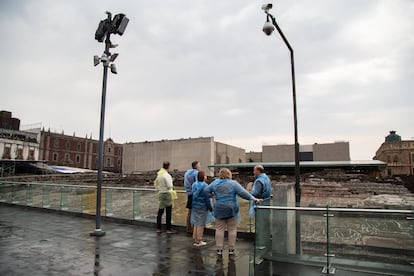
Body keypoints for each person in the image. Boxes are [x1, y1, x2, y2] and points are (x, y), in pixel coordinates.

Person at [204, 168, 261, 256]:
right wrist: (254, 199)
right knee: (232, 229)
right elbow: (243, 193)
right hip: (231, 208)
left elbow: (206, 191)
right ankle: (231, 249)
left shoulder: (215, 183)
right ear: (229, 174)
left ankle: (219, 249)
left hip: (219, 208)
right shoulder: (233, 183)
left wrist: (213, 196)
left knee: (219, 228)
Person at [251, 164, 272, 256]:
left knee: (260, 224)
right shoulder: (267, 178)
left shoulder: (259, 181)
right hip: (267, 203)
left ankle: (260, 244)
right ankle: (266, 241)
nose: (253, 172)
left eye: (254, 170)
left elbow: (256, 193)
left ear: (258, 171)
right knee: (265, 224)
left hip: (260, 204)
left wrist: (249, 194)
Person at [191, 170, 214, 246]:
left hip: (194, 206)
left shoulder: (194, 185)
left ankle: (194, 238)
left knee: (196, 222)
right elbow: (207, 199)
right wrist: (210, 208)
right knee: (201, 223)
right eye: (205, 175)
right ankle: (199, 240)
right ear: (203, 177)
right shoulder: (205, 186)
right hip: (202, 207)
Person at [154, 161, 177, 234]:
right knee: (168, 212)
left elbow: (156, 184)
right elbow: (170, 185)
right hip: (167, 194)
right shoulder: (166, 175)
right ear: (168, 167)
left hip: (161, 193)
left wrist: (160, 188)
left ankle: (158, 228)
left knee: (160, 211)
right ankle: (168, 229)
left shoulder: (159, 174)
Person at [184, 161, 201, 234]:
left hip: (189, 194)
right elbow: (198, 185)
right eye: (199, 165)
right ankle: (194, 229)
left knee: (190, 212)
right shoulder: (196, 173)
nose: (200, 166)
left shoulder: (187, 172)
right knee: (196, 212)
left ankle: (188, 228)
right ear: (196, 166)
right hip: (195, 194)